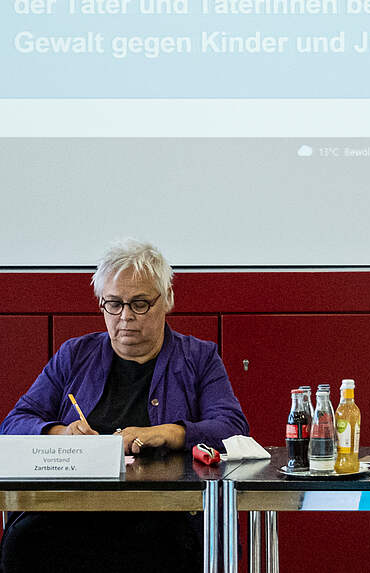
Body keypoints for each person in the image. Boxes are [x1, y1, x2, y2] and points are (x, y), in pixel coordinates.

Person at [0, 239, 249, 573]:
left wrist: (167, 433)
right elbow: (15, 422)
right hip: (71, 510)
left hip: (166, 514)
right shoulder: (75, 355)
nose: (126, 316)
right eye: (114, 304)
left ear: (167, 300)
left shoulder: (199, 357)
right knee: (24, 542)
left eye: (140, 304)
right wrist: (62, 434)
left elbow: (232, 428)